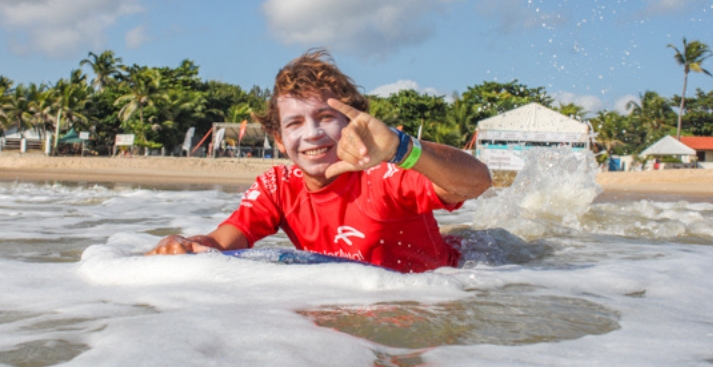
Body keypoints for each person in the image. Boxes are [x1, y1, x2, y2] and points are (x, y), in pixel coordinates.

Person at [146, 49, 492, 273]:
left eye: (326, 117)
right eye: (294, 123)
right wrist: (183, 244)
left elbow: (478, 182)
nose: (312, 134)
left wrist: (402, 149)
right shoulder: (277, 188)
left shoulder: (385, 173)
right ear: (280, 140)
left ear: (352, 122)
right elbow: (220, 244)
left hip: (451, 276)